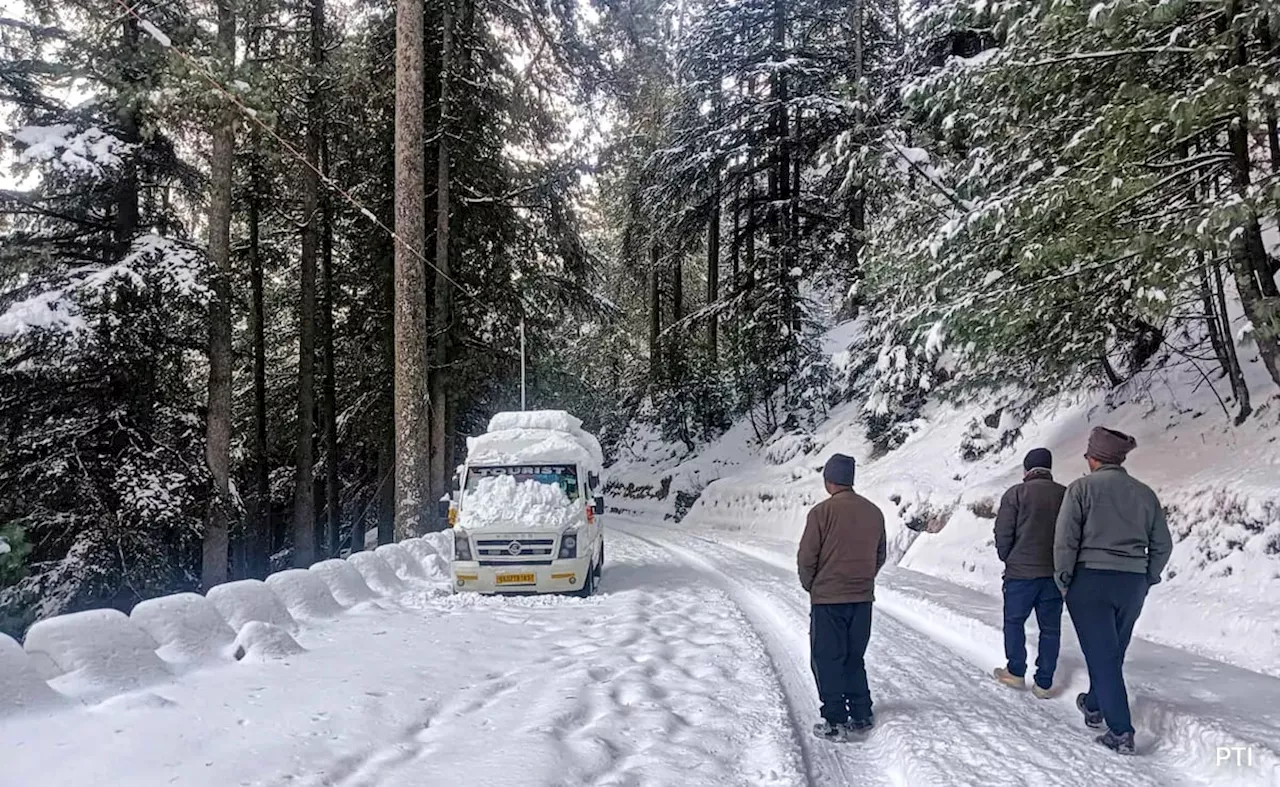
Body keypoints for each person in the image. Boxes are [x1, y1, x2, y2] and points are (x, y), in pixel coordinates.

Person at [1054, 427, 1173, 755]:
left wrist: (1063, 578)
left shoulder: (1080, 489)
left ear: (1093, 458)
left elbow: (1066, 540)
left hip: (1090, 580)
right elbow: (1162, 545)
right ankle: (1093, 704)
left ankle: (1120, 731)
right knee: (1110, 650)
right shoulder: (1145, 494)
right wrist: (1147, 577)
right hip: (1132, 583)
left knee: (1102, 654)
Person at [797, 453, 887, 742]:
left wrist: (812, 585)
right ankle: (861, 713)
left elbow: (807, 557)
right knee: (853, 656)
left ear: (828, 481)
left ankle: (834, 719)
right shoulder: (874, 512)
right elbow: (880, 554)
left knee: (827, 658)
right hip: (862, 598)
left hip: (828, 599)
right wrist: (864, 578)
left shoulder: (821, 513)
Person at [992, 447, 1066, 699]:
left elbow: (1003, 533)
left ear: (1027, 470)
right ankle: (1044, 682)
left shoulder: (1016, 494)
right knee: (1050, 629)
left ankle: (1015, 671)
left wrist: (1008, 557)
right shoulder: (1065, 495)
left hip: (1020, 574)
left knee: (1014, 622)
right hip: (1054, 574)